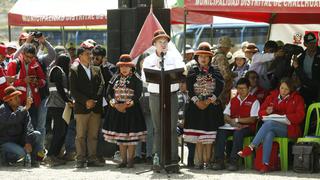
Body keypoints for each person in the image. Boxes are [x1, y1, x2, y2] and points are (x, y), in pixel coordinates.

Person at [238, 77, 305, 173]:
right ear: (279, 87)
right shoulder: (271, 97)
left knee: (269, 124)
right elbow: (260, 113)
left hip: (290, 129)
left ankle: (251, 147)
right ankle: (265, 164)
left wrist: (286, 117)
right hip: (272, 127)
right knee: (269, 133)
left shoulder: (297, 98)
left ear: (290, 89)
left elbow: (300, 116)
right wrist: (267, 111)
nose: (283, 91)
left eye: (286, 89)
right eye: (282, 88)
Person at [142, 30, 185, 163]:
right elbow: (145, 78)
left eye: (165, 41)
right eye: (160, 41)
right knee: (158, 128)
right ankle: (157, 157)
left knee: (172, 127)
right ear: (154, 44)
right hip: (155, 96)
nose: (163, 44)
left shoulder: (175, 58)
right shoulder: (149, 60)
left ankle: (172, 158)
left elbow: (181, 73)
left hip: (171, 95)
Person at [183, 42, 224, 169]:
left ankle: (208, 161)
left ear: (210, 58)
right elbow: (189, 88)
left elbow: (220, 86)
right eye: (201, 56)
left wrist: (208, 101)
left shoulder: (216, 70)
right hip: (195, 107)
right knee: (199, 137)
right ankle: (198, 162)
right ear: (197, 57)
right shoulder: (192, 71)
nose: (203, 58)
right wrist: (197, 101)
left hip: (211, 107)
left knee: (209, 137)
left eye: (206, 56)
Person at [102, 54, 146, 168]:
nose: (124, 69)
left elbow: (138, 93)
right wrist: (114, 104)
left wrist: (127, 104)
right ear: (119, 67)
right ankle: (123, 161)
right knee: (121, 138)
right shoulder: (115, 77)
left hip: (132, 111)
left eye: (127, 66)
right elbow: (108, 93)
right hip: (116, 110)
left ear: (131, 67)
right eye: (122, 66)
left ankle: (131, 160)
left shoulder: (136, 77)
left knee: (130, 137)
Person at [212, 78, 260, 171]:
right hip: (232, 126)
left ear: (249, 88)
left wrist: (237, 120)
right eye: (239, 88)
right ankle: (219, 161)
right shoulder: (233, 100)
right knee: (221, 132)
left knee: (238, 133)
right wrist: (232, 122)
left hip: (248, 127)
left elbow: (253, 119)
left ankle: (234, 161)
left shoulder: (254, 101)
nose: (240, 91)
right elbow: (225, 115)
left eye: (243, 88)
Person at [69, 46, 104, 168]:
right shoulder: (74, 70)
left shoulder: (96, 69)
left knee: (93, 135)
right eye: (87, 53)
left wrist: (94, 100)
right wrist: (86, 101)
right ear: (80, 56)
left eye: (90, 53)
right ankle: (80, 159)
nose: (90, 56)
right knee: (80, 135)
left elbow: (101, 85)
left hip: (95, 107)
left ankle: (92, 158)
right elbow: (73, 90)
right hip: (81, 108)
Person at [0, 86, 41, 167]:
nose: (19, 99)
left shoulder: (23, 109)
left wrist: (28, 142)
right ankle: (4, 158)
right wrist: (25, 109)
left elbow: (29, 127)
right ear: (9, 100)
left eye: (18, 97)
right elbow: (10, 119)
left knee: (37, 134)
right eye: (16, 98)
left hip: (19, 141)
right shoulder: (2, 109)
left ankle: (34, 160)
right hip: (5, 142)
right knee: (21, 153)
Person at [45, 54, 73, 166]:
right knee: (59, 131)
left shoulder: (62, 72)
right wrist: (67, 100)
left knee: (62, 131)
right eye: (68, 62)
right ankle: (50, 155)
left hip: (61, 106)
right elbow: (59, 87)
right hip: (56, 105)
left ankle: (55, 155)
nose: (70, 64)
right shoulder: (57, 70)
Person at [134, 53, 153, 164]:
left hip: (151, 109)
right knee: (137, 132)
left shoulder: (154, 75)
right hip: (137, 109)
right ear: (139, 63)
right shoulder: (135, 75)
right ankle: (137, 155)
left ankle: (150, 155)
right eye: (142, 61)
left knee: (150, 132)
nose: (145, 63)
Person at [292, 32, 320, 107]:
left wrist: (297, 67)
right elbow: (298, 75)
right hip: (305, 89)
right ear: (305, 44)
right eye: (310, 43)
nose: (313, 45)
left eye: (314, 42)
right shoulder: (301, 57)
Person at [211, 36, 235, 107]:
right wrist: (234, 74)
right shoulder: (221, 57)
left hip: (217, 87)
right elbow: (225, 75)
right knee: (220, 108)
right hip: (222, 89)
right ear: (224, 47)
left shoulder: (216, 56)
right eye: (228, 47)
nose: (229, 49)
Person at [177, 80, 195, 167]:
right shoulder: (175, 95)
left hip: (190, 124)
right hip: (178, 124)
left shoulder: (193, 95)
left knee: (192, 134)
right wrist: (178, 121)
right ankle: (174, 157)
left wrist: (186, 121)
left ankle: (191, 160)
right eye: (180, 83)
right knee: (171, 132)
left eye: (183, 83)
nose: (181, 85)